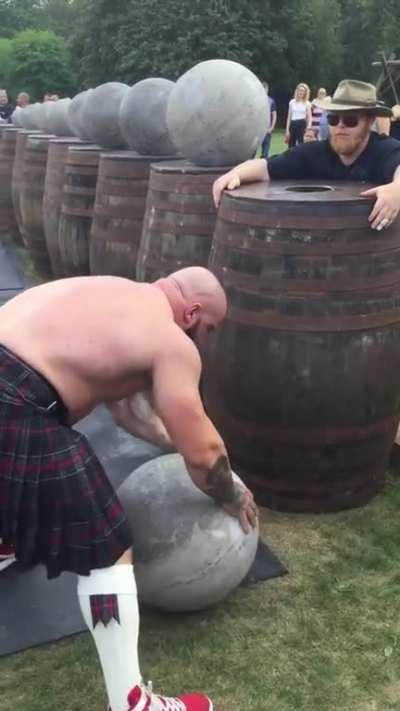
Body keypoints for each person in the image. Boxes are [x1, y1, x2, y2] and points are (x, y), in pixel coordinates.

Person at [0, 268, 257, 711]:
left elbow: (129, 416)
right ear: (192, 313)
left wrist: (177, 439)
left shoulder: (117, 297)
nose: (206, 339)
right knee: (107, 542)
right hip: (14, 403)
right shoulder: (171, 341)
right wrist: (232, 493)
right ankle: (133, 701)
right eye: (210, 329)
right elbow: (205, 454)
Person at [213, 79, 400, 232]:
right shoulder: (315, 152)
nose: (340, 125)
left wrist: (396, 190)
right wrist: (234, 174)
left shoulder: (383, 149)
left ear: (369, 122)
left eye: (351, 120)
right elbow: (266, 167)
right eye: (334, 119)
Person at [285, 82, 312, 147]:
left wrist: (308, 127)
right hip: (293, 124)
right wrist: (287, 130)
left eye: (303, 91)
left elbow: (310, 117)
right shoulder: (292, 102)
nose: (301, 92)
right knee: (291, 145)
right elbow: (289, 117)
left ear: (305, 92)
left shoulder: (307, 103)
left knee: (301, 144)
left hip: (302, 124)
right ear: (297, 91)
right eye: (300, 90)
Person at [261, 81, 277, 158]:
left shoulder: (271, 101)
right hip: (256, 129)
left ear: (267, 90)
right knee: (252, 151)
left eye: (265, 89)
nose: (263, 91)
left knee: (265, 151)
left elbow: (274, 115)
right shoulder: (255, 100)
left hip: (267, 129)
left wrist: (272, 127)